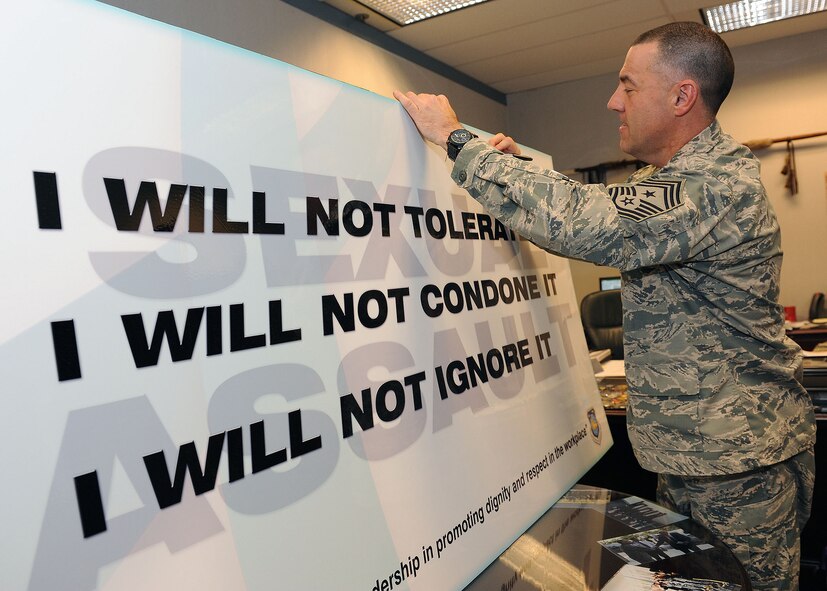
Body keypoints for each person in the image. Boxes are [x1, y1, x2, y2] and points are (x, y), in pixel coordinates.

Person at [394, 21, 816, 591]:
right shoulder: (672, 182)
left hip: (737, 464)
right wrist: (522, 171)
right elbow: (597, 206)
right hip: (699, 451)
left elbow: (589, 224)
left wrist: (455, 138)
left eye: (628, 86)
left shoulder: (714, 184)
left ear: (681, 96)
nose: (613, 101)